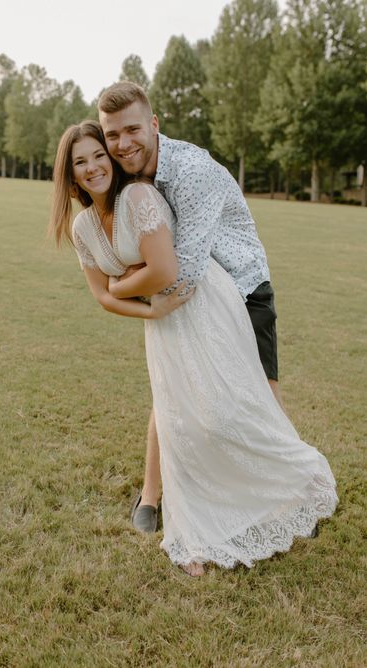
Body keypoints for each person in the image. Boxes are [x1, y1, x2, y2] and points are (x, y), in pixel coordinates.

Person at [49, 120, 337, 577]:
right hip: (162, 318)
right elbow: (102, 296)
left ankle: (295, 484)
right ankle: (179, 514)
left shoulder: (146, 193)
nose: (94, 166)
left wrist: (126, 287)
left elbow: (165, 271)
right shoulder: (85, 225)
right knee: (177, 409)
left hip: (208, 295)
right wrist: (148, 311)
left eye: (99, 155)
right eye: (80, 161)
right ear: (68, 172)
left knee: (235, 405)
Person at [97, 82, 286, 534]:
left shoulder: (192, 170)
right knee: (171, 388)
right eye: (112, 135)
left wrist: (117, 289)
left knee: (263, 395)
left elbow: (184, 271)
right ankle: (150, 495)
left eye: (132, 130)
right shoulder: (123, 171)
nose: (123, 144)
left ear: (154, 124)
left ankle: (285, 493)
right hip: (181, 298)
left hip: (241, 286)